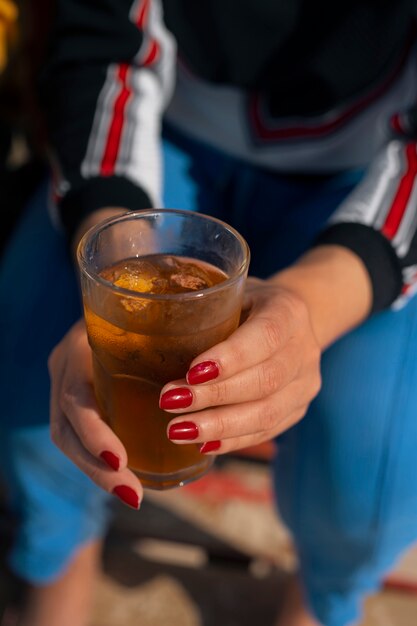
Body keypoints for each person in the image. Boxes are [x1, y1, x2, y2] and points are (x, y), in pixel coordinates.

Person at [12, 1, 417, 625]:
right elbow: (100, 39)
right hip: (158, 131)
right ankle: (57, 559)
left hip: (368, 178)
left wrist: (313, 303)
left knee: (373, 467)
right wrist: (119, 267)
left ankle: (324, 600)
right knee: (30, 375)